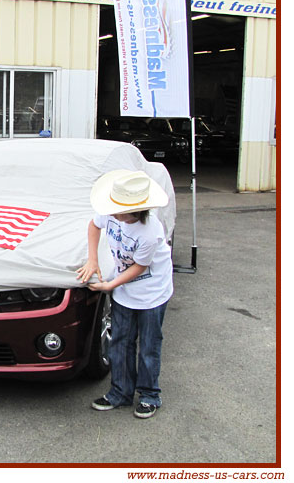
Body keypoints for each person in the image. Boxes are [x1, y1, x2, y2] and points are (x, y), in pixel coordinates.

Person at [76, 169, 173, 419]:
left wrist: (109, 286)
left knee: (149, 345)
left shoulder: (150, 232)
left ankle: (150, 395)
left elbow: (139, 267)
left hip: (151, 292)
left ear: (136, 210)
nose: (113, 214)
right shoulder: (111, 212)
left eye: (120, 211)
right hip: (124, 289)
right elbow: (93, 226)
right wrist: (92, 260)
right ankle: (120, 392)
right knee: (120, 340)